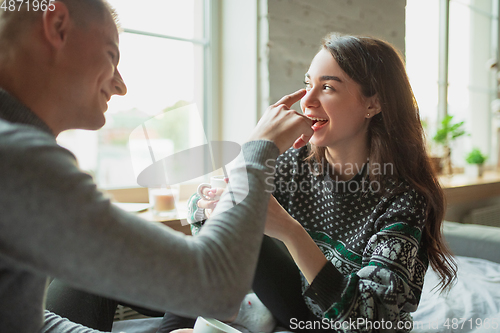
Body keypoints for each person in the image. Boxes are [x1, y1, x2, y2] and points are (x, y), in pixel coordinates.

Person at [0, 0, 314, 332]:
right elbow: (215, 286)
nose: (121, 86)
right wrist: (258, 149)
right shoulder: (21, 160)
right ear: (57, 26)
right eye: (110, 55)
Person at [171, 33, 458, 332]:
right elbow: (199, 213)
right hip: (290, 304)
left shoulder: (403, 198)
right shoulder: (295, 162)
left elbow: (369, 320)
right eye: (308, 84)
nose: (307, 100)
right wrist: (212, 204)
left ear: (373, 103)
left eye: (328, 87)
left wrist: (290, 231)